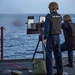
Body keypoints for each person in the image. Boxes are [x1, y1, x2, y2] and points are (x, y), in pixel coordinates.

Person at [43, 2, 63, 75]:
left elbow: (46, 28)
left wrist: (45, 38)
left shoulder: (49, 16)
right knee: (58, 55)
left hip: (51, 37)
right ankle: (60, 72)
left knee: (48, 56)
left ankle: (49, 73)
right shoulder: (60, 16)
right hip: (58, 37)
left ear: (51, 8)